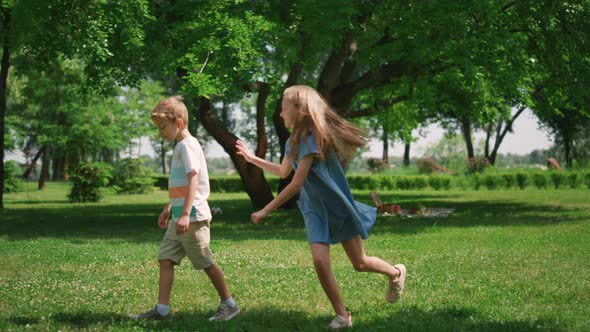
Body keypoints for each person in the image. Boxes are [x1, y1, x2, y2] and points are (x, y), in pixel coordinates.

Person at [235, 85, 406, 329]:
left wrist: (266, 209)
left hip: (336, 207)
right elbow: (284, 171)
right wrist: (252, 159)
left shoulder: (312, 139)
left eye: (284, 108)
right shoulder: (293, 142)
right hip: (314, 209)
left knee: (360, 263)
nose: (281, 113)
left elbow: (295, 183)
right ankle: (342, 316)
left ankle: (396, 273)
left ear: (300, 110)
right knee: (319, 261)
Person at [131, 96, 240, 322]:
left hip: (193, 217)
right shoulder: (181, 146)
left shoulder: (187, 146)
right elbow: (182, 184)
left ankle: (229, 304)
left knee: (205, 261)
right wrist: (169, 207)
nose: (160, 132)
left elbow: (193, 180)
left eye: (163, 127)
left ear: (178, 123)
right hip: (180, 217)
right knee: (166, 258)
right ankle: (162, 310)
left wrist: (184, 215)